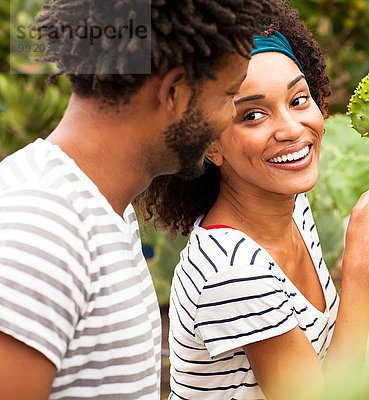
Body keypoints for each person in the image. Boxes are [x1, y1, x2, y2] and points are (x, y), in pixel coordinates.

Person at [137, 2, 369, 399]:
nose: (292, 129)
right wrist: (360, 263)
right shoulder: (233, 273)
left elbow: (332, 348)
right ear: (208, 144)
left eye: (298, 100)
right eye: (253, 116)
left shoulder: (291, 205)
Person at [0, 1, 281, 398]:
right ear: (174, 92)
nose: (225, 120)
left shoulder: (102, 208)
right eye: (229, 95)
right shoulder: (40, 229)